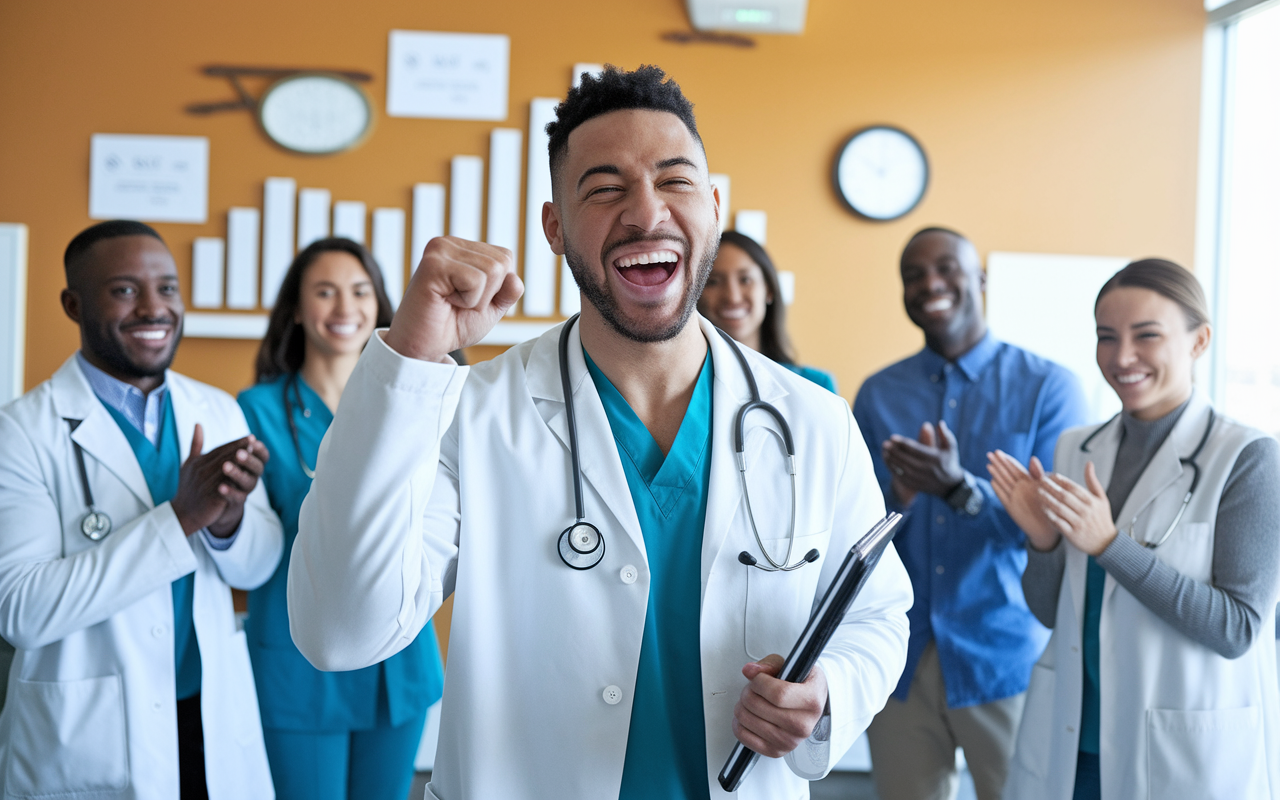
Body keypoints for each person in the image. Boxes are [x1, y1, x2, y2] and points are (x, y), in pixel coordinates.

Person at [287, 65, 912, 800]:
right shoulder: (474, 412)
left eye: (675, 182)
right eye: (605, 188)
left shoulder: (810, 420)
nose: (647, 214)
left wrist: (828, 692)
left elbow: (877, 614)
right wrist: (412, 361)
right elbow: (340, 631)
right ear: (555, 228)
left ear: (713, 207)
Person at [0, 220, 282, 800]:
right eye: (125, 290)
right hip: (90, 730)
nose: (154, 308)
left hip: (211, 715)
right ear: (73, 304)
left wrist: (227, 522)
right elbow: (21, 610)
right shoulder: (21, 432)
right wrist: (181, 517)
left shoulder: (217, 409)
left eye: (168, 288)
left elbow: (257, 566)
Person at [988, 258, 1280, 800]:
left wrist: (1109, 546)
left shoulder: (1246, 457)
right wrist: (1043, 542)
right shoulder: (1076, 447)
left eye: (1147, 336)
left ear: (1199, 341)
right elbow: (1052, 612)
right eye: (1106, 337)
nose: (1122, 357)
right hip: (1073, 740)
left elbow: (1237, 628)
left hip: (1180, 749)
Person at [852, 227, 1087, 800]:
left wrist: (960, 489)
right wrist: (899, 497)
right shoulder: (878, 394)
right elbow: (854, 530)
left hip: (1004, 654)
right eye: (913, 274)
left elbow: (1054, 526)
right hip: (901, 655)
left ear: (980, 279)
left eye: (946, 268)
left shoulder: (1049, 389)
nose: (930, 283)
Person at [237, 238, 445, 800]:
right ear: (298, 310)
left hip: (396, 663)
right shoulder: (252, 411)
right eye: (324, 292)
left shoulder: (413, 403)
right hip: (298, 662)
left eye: (358, 291)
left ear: (379, 304)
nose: (343, 307)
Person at [697, 229, 837, 392]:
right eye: (713, 282)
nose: (732, 297)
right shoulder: (682, 388)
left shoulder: (816, 386)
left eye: (745, 280)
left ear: (768, 290)